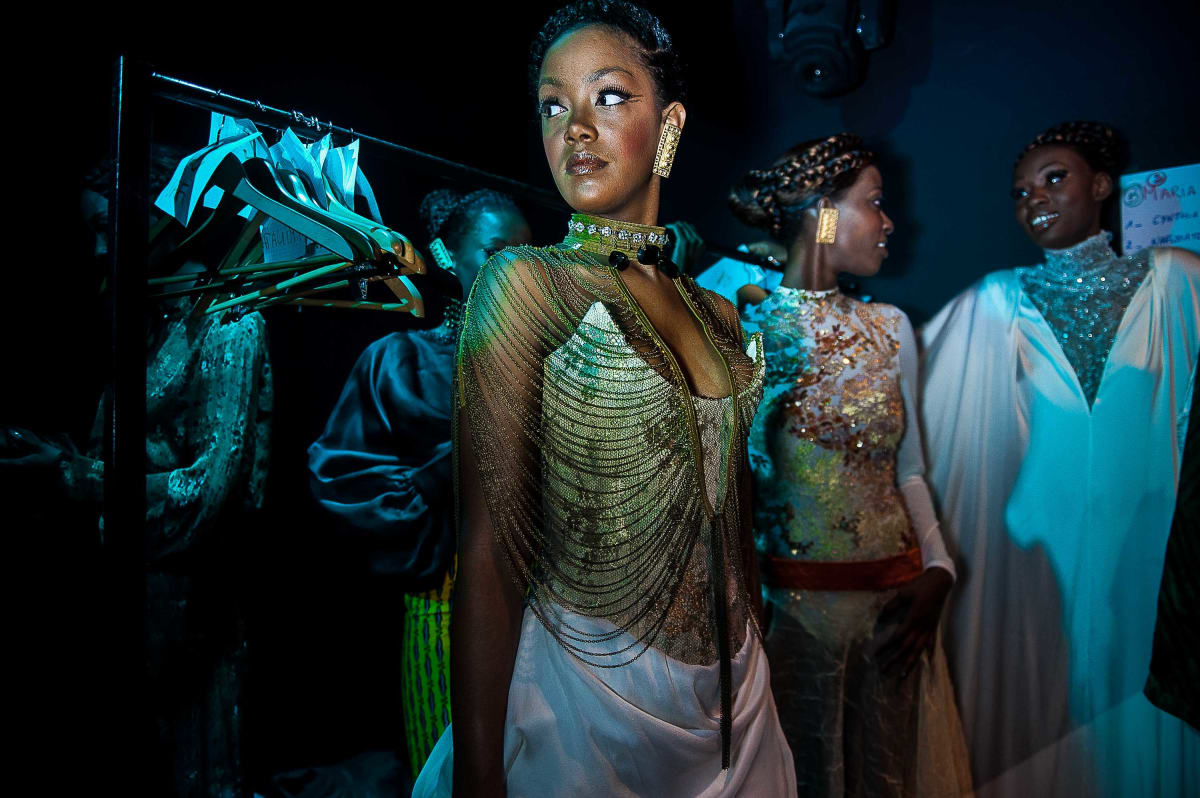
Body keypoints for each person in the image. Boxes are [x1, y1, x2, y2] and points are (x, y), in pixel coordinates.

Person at [416, 2, 796, 796]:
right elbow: (486, 551)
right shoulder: (524, 286)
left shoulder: (718, 314)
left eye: (609, 96)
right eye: (554, 106)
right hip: (585, 710)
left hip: (739, 707)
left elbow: (735, 509)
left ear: (670, 126)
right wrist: (481, 779)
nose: (575, 128)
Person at [921, 121, 1200, 796]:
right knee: (1049, 704)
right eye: (1020, 191)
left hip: (1152, 546)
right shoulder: (993, 302)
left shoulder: (1178, 282)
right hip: (1037, 560)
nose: (1033, 199)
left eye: (1054, 178)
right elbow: (906, 405)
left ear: (1101, 186)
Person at [2, 153, 272, 798]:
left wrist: (69, 475)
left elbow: (207, 493)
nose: (96, 249)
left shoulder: (226, 321)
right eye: (89, 231)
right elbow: (135, 454)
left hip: (192, 618)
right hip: (128, 605)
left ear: (155, 220)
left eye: (106, 227)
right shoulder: (140, 325)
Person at [732, 134, 971, 797]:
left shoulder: (892, 325)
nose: (890, 221)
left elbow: (910, 468)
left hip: (896, 618)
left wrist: (940, 570)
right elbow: (731, 483)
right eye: (875, 202)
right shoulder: (746, 330)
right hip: (792, 626)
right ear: (823, 213)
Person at [307, 187, 531, 780]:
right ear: (445, 253)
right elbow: (345, 481)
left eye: (529, 258)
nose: (516, 273)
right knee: (451, 770)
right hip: (443, 601)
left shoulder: (561, 364)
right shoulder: (399, 361)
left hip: (546, 609)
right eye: (497, 253)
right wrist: (457, 460)